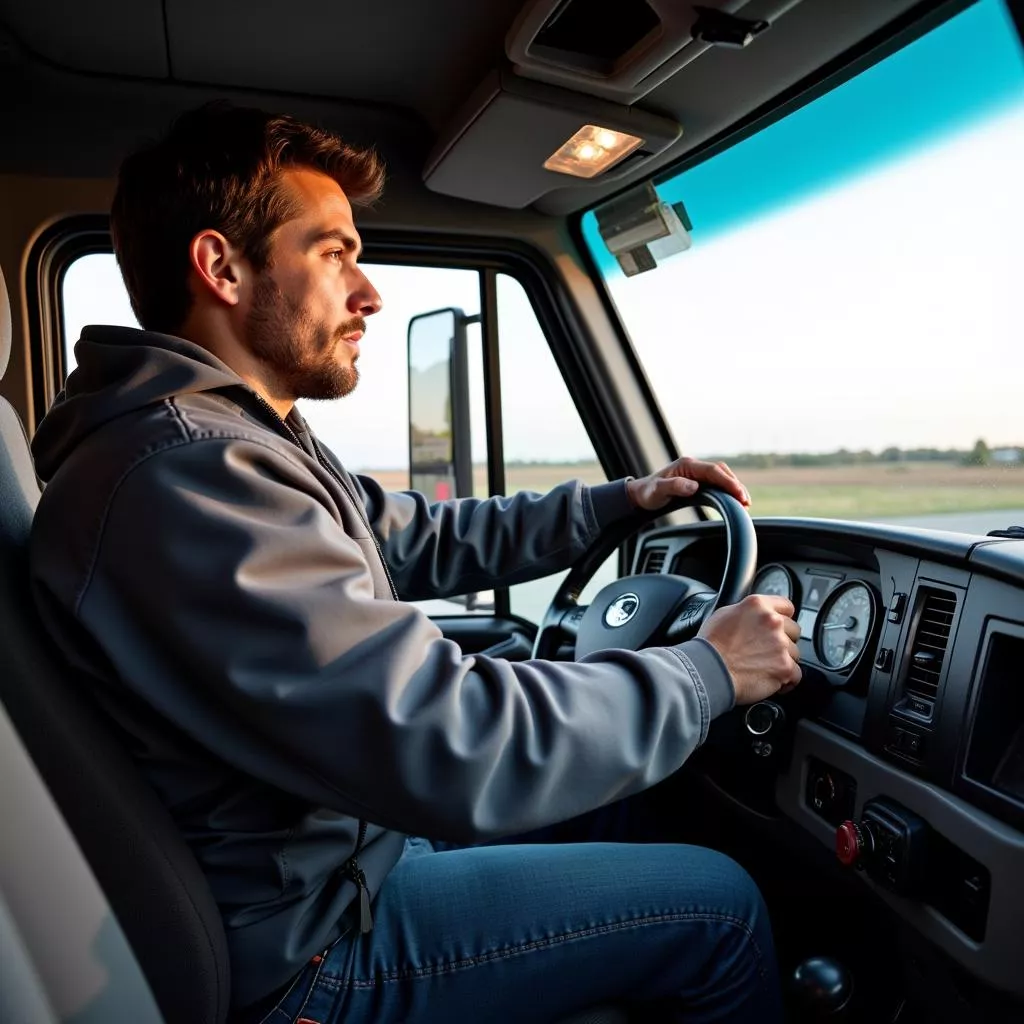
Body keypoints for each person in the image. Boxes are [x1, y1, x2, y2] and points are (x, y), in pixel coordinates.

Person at [29, 103, 802, 1024]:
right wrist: (708, 669)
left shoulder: (228, 437)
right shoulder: (190, 471)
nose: (369, 292)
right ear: (221, 268)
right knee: (717, 906)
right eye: (333, 252)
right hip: (310, 952)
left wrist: (616, 501)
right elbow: (452, 744)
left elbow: (409, 536)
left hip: (334, 854)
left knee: (634, 802)